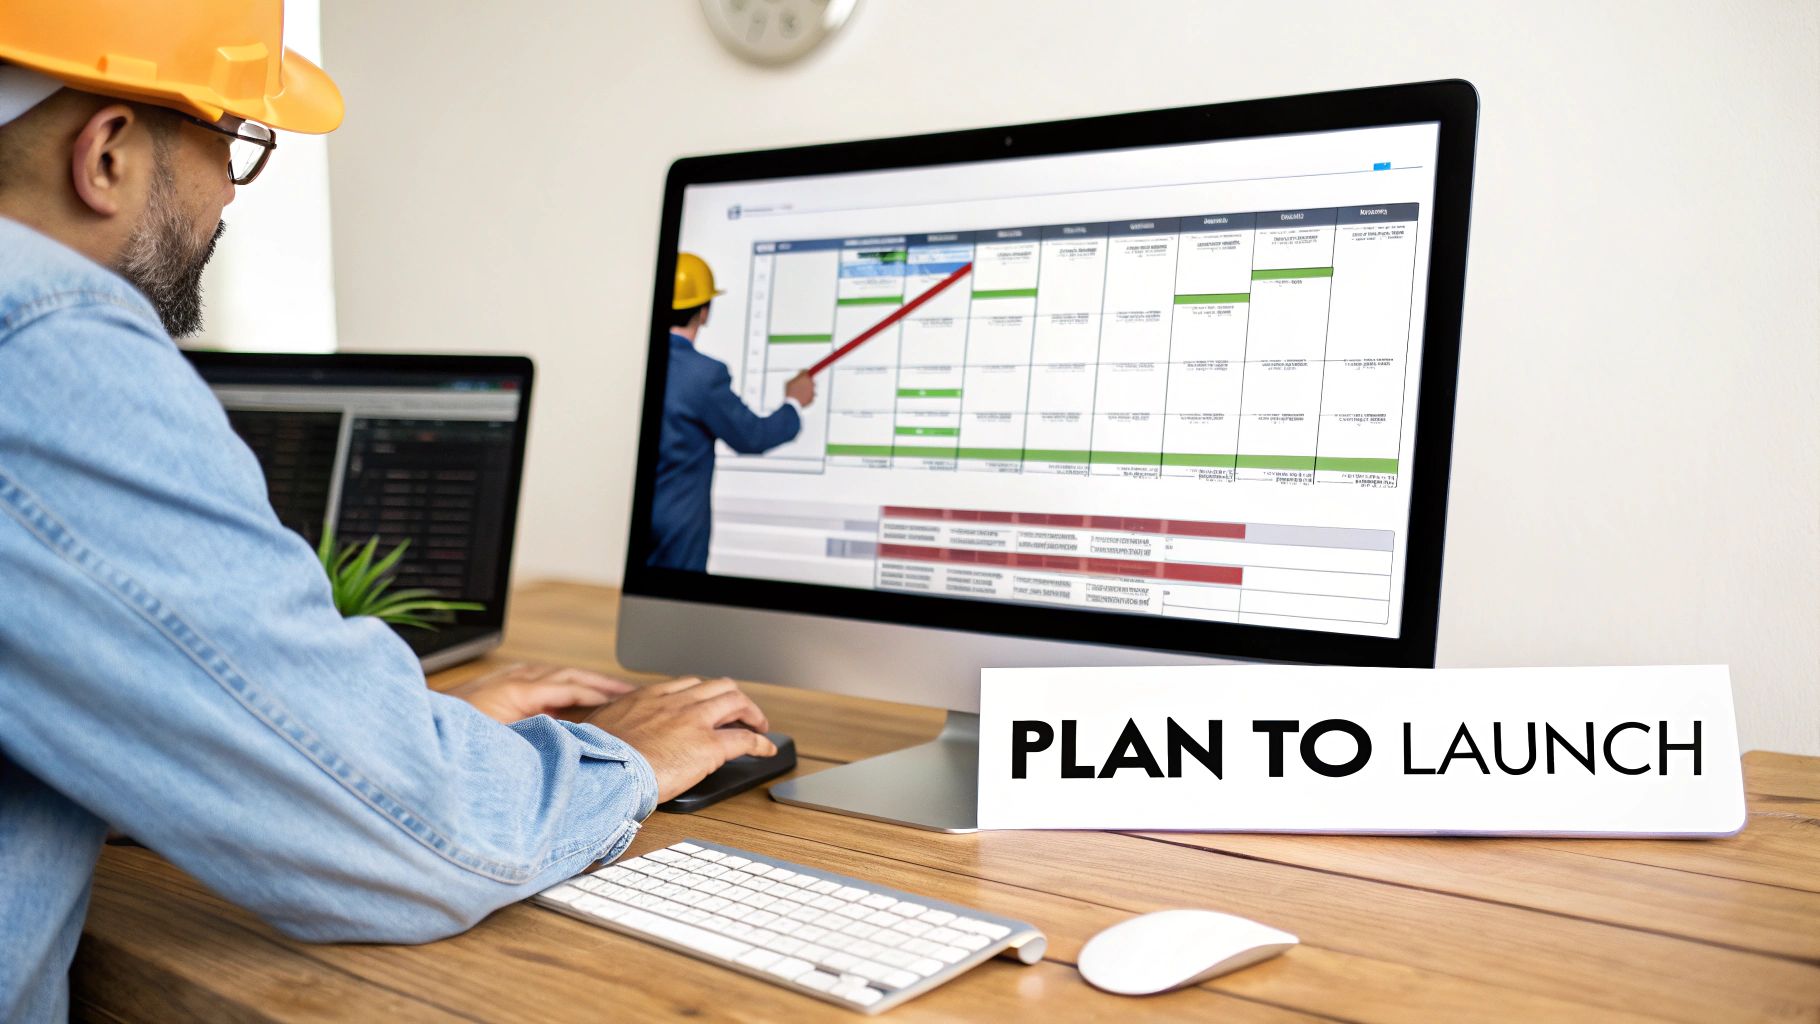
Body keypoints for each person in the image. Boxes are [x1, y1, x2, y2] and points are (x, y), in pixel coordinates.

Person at [0, 4, 775, 1018]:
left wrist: (375, 734)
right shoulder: (44, 340)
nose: (230, 192)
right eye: (234, 140)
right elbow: (407, 846)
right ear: (105, 151)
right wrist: (617, 754)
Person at [648, 253, 816, 571]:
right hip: (677, 536)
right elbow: (751, 436)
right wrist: (793, 402)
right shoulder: (703, 374)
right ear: (704, 311)